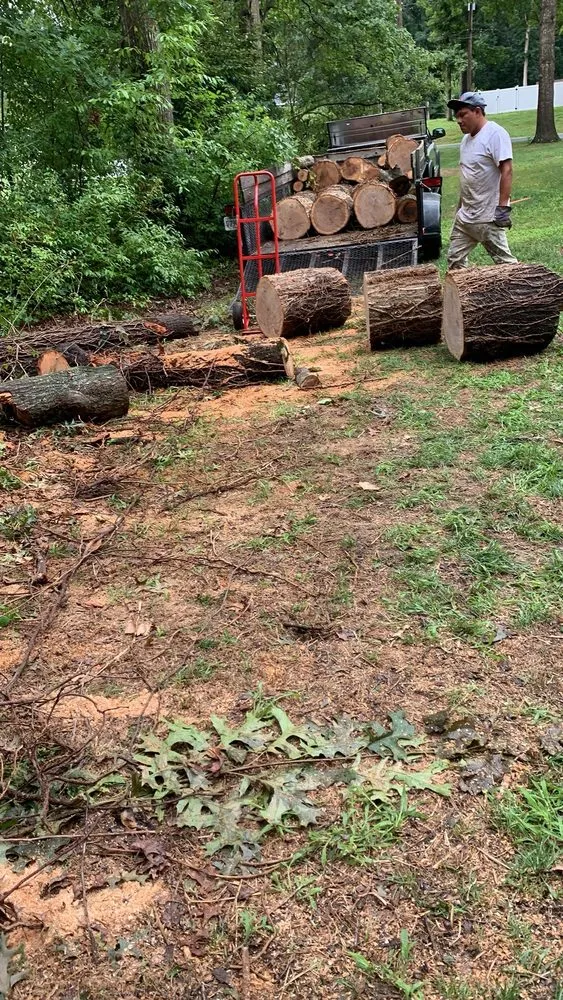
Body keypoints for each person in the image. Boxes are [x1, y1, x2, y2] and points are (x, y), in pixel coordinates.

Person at [446, 91, 517, 269]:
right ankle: (462, 295)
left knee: (506, 265)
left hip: (488, 217)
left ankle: (525, 291)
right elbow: (468, 175)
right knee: (455, 260)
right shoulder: (465, 140)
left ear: (477, 111)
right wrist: (459, 209)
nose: (459, 120)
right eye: (457, 116)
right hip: (465, 218)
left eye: (463, 115)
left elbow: (506, 170)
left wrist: (502, 209)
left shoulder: (495, 134)